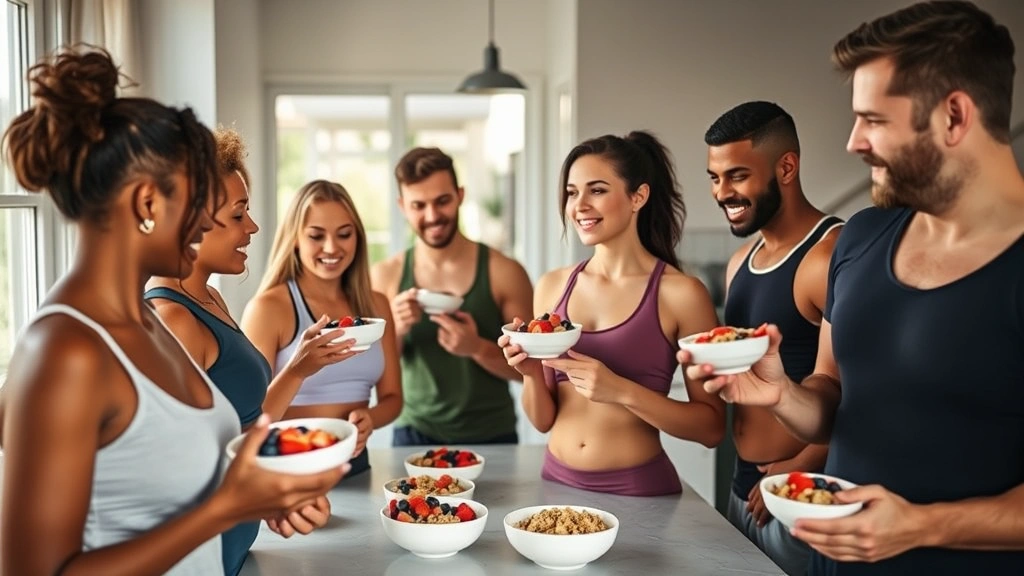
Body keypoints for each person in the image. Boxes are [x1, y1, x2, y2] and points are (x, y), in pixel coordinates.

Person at [683, 2, 1024, 574]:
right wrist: (780, 395)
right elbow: (833, 395)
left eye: (874, 120)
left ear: (954, 116)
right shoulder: (864, 237)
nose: (853, 142)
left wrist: (921, 524)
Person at [0, 47, 343, 576]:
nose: (208, 224)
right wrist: (228, 508)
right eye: (197, 201)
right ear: (146, 204)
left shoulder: (147, 327)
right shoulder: (64, 351)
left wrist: (264, 489)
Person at [146, 128, 354, 575]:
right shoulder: (174, 320)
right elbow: (168, 480)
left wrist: (297, 369)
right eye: (238, 214)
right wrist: (273, 489)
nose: (253, 227)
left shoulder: (209, 299)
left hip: (233, 548)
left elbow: (243, 424)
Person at [498, 130, 725, 496]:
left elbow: (711, 428)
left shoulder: (681, 294)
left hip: (638, 489)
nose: (580, 205)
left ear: (638, 196)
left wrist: (621, 390)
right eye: (572, 192)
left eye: (597, 190)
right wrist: (529, 373)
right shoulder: (552, 286)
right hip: (557, 485)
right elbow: (543, 422)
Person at [704, 101, 843, 575]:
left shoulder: (830, 254)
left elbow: (859, 396)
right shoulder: (740, 261)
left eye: (737, 175)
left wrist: (794, 471)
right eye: (714, 177)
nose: (722, 192)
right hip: (743, 484)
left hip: (797, 492)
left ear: (786, 166)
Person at [370, 147, 533, 446]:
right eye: (418, 205)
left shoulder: (505, 272)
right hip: (413, 434)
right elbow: (373, 372)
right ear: (402, 206)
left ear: (460, 195)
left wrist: (478, 348)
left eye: (442, 201)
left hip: (493, 434)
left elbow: (533, 372)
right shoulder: (384, 276)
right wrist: (398, 328)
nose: (432, 216)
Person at [242, 179, 402, 475]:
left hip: (355, 465)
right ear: (295, 239)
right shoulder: (269, 308)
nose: (332, 247)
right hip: (290, 467)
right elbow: (248, 413)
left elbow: (393, 399)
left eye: (344, 234)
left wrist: (371, 417)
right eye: (316, 236)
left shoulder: (377, 306)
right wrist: (298, 368)